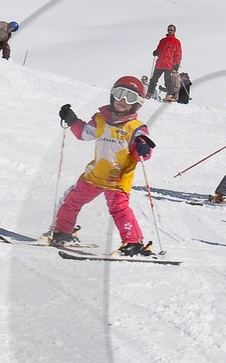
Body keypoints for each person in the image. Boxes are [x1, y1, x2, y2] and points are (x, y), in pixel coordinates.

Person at [51, 76, 158, 256]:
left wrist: (143, 147)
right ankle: (63, 232)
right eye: (119, 94)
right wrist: (72, 120)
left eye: (129, 97)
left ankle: (133, 243)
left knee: (119, 209)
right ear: (112, 95)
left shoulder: (136, 127)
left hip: (118, 179)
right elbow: (85, 134)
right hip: (94, 175)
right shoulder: (100, 119)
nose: (123, 101)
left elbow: (144, 153)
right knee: (71, 201)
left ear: (137, 103)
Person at [149, 24, 183, 100]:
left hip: (168, 64)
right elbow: (159, 51)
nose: (170, 31)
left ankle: (171, 95)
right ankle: (149, 93)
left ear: (174, 31)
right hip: (160, 64)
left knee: (167, 81)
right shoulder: (162, 40)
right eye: (169, 29)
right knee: (153, 79)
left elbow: (178, 54)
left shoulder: (176, 42)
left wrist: (176, 64)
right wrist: (156, 52)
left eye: (171, 30)